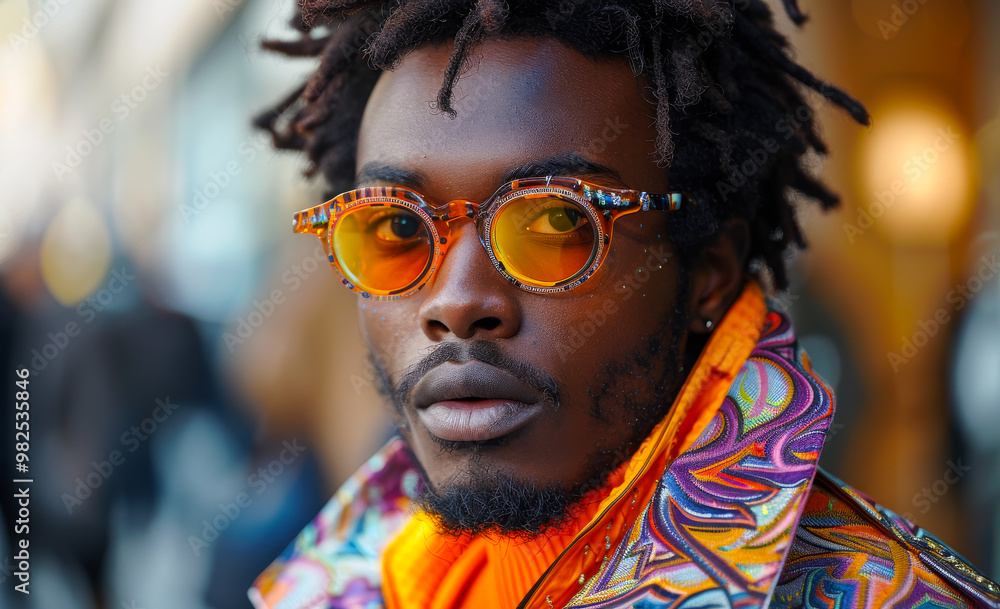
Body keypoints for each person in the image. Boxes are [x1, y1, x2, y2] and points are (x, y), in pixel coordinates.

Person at [247, 1, 1000, 607]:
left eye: (555, 222)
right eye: (397, 227)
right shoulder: (349, 577)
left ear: (707, 270)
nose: (456, 301)